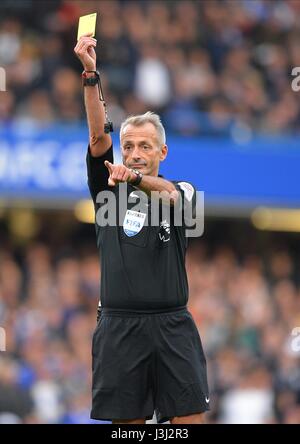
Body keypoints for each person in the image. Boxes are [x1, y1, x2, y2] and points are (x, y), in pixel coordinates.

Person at [74, 34, 209, 425]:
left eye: (145, 146)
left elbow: (170, 194)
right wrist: (89, 73)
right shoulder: (107, 191)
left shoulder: (180, 191)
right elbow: (99, 137)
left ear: (162, 152)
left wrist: (133, 180)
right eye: (129, 145)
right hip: (118, 327)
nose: (134, 153)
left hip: (173, 326)